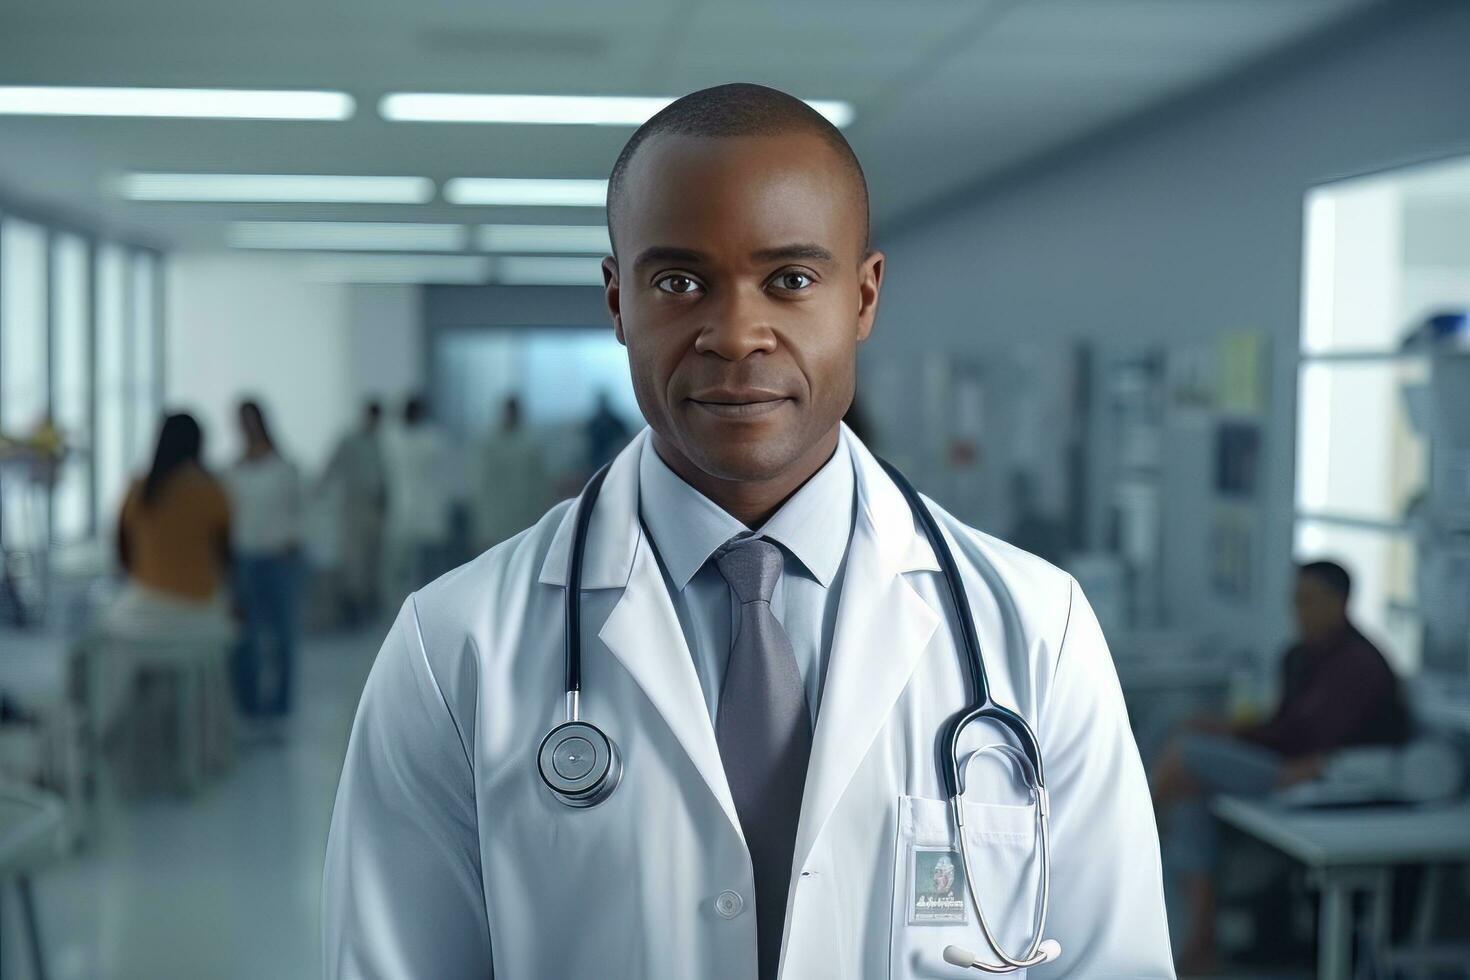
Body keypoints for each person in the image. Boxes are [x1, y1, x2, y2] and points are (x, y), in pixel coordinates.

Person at [324, 84, 1173, 979]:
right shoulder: (452, 644)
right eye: (680, 282)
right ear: (618, 301)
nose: (735, 334)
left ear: (864, 297)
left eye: (791, 280)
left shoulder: (1039, 628)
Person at [1151, 559, 1410, 973]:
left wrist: (1238, 738)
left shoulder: (1362, 665)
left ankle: (1131, 829)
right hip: (1284, 767)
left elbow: (1330, 745)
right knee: (1190, 799)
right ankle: (1200, 944)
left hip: (1324, 784)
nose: (1298, 611)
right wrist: (1229, 730)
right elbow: (1283, 728)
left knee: (1186, 753)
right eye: (1294, 601)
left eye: (1308, 601)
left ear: (1340, 603)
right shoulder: (1297, 656)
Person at [100, 413, 233, 759]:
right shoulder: (210, 491)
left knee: (107, 639)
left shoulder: (140, 488)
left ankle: (108, 733)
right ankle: (209, 741)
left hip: (142, 616)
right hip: (195, 615)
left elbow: (121, 551)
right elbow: (225, 558)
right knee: (219, 647)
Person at [226, 400, 303, 724]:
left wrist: (293, 541)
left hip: (279, 558)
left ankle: (280, 706)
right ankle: (250, 706)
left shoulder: (284, 468)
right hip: (244, 559)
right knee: (246, 638)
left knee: (282, 637)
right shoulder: (232, 471)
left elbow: (300, 510)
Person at [381, 394, 454, 600]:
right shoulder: (431, 439)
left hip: (412, 514)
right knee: (424, 574)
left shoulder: (397, 440)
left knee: (412, 572)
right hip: (420, 515)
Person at [321, 401, 387, 625]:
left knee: (371, 560)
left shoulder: (377, 443)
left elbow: (382, 477)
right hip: (352, 506)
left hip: (373, 507)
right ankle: (351, 611)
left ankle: (367, 609)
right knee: (354, 561)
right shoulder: (348, 441)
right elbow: (330, 467)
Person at [470, 396, 548, 553]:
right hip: (497, 516)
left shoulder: (529, 445)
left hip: (523, 516)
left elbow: (540, 484)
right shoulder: (489, 445)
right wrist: (482, 527)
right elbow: (482, 485)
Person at [584, 389, 631, 472]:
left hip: (612, 458)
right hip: (598, 459)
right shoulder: (594, 422)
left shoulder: (614, 421)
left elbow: (624, 437)